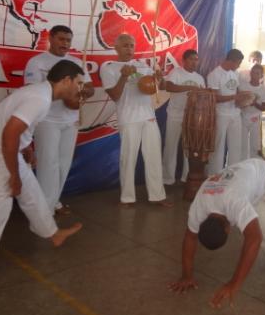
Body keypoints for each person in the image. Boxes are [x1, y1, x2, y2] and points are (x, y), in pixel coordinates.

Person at [168, 158, 265, 308]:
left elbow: (253, 240)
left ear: (228, 229)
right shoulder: (199, 207)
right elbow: (190, 237)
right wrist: (186, 276)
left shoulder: (233, 202)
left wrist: (234, 284)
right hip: (249, 195)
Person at [0, 60, 84, 266]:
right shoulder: (40, 98)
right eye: (78, 83)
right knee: (0, 205)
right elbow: (9, 135)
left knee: (32, 193)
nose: (80, 89)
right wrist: (14, 176)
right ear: (66, 80)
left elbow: (17, 128)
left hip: (7, 148)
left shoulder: (42, 94)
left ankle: (53, 234)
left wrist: (26, 147)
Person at [23, 25, 94, 215]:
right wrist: (64, 94)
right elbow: (32, 92)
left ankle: (53, 202)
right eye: (61, 39)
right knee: (48, 164)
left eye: (68, 40)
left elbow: (89, 87)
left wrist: (84, 92)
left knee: (63, 164)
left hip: (70, 120)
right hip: (46, 120)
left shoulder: (77, 62)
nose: (65, 44)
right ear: (51, 38)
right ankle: (43, 211)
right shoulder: (36, 62)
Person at [100, 34, 171, 207]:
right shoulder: (109, 67)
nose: (129, 49)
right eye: (125, 45)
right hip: (128, 118)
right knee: (128, 158)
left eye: (132, 45)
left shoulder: (142, 66)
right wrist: (123, 77)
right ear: (116, 47)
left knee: (154, 156)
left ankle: (157, 196)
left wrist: (159, 79)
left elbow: (155, 89)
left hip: (148, 116)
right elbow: (115, 95)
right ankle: (127, 198)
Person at [162, 49, 205, 185]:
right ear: (184, 60)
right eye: (191, 59)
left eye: (196, 59)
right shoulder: (176, 72)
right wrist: (189, 88)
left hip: (192, 118)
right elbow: (169, 87)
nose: (194, 62)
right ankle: (167, 179)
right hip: (175, 115)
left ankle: (187, 177)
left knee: (190, 149)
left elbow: (203, 96)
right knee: (171, 147)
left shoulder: (200, 78)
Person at [206, 49, 245, 174]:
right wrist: (234, 97)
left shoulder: (235, 73)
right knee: (218, 146)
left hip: (235, 113)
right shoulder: (214, 74)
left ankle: (233, 174)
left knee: (236, 146)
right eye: (238, 63)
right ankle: (214, 174)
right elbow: (214, 98)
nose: (239, 66)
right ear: (231, 61)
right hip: (221, 114)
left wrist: (244, 98)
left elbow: (237, 91)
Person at [239, 64, 265, 160]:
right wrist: (244, 103)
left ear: (261, 75)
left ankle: (253, 165)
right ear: (250, 73)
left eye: (258, 73)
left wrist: (254, 103)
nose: (255, 75)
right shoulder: (243, 86)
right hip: (243, 116)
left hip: (255, 118)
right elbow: (237, 102)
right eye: (253, 73)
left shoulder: (263, 89)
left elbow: (264, 107)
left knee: (254, 144)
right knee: (243, 143)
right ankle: (242, 164)